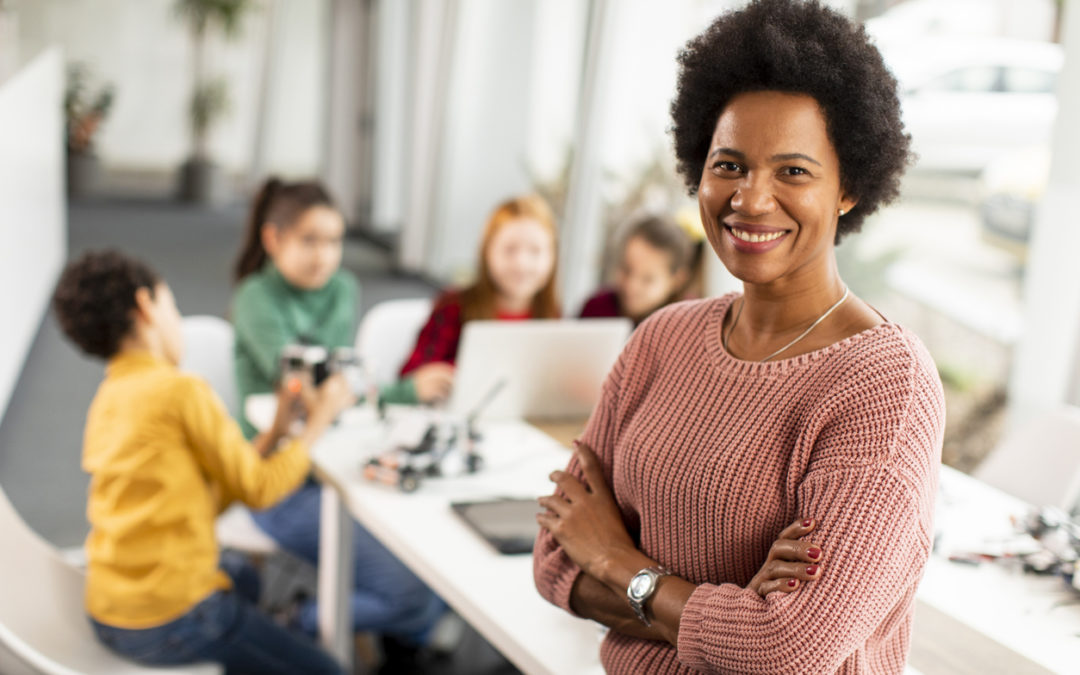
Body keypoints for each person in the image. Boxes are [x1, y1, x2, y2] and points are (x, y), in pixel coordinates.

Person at [533, 1, 945, 673]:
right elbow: (552, 561)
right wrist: (730, 613)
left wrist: (619, 562)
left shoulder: (885, 385)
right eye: (729, 164)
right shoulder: (663, 339)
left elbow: (788, 646)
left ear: (849, 188)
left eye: (793, 171)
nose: (750, 199)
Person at [52, 250, 350, 674]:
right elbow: (260, 490)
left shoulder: (110, 397)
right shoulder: (181, 390)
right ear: (145, 306)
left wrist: (274, 434)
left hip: (110, 610)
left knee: (243, 576)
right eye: (172, 304)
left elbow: (193, 497)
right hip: (172, 618)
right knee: (327, 671)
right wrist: (318, 422)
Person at [230, 178, 447, 666]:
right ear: (273, 239)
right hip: (280, 480)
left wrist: (380, 391)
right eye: (310, 240)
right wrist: (395, 390)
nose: (324, 255)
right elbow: (313, 392)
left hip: (340, 463)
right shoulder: (255, 298)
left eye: (334, 241)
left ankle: (389, 635)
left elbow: (342, 387)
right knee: (414, 595)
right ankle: (292, 623)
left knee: (442, 563)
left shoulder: (343, 289)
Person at [397, 194, 561, 402]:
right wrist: (437, 379)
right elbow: (409, 379)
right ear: (487, 252)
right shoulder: (453, 308)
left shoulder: (552, 314)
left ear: (553, 257)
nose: (522, 264)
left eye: (535, 251)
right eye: (510, 250)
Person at [579, 213, 701, 326]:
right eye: (626, 270)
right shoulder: (595, 309)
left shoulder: (687, 322)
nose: (631, 286)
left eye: (647, 279)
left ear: (677, 280)